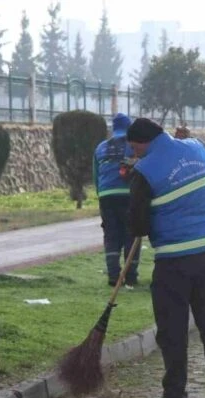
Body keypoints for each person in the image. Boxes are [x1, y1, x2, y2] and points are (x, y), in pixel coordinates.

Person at [125, 118, 205, 398]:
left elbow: (138, 226)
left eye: (135, 149)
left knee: (173, 331)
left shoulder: (144, 171)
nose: (135, 155)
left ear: (142, 143)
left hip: (175, 259)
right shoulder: (196, 147)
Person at [93, 112, 141, 287]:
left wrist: (102, 195)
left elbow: (95, 175)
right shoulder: (133, 146)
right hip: (128, 196)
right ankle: (130, 276)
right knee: (131, 233)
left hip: (106, 196)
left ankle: (113, 276)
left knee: (111, 235)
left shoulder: (100, 148)